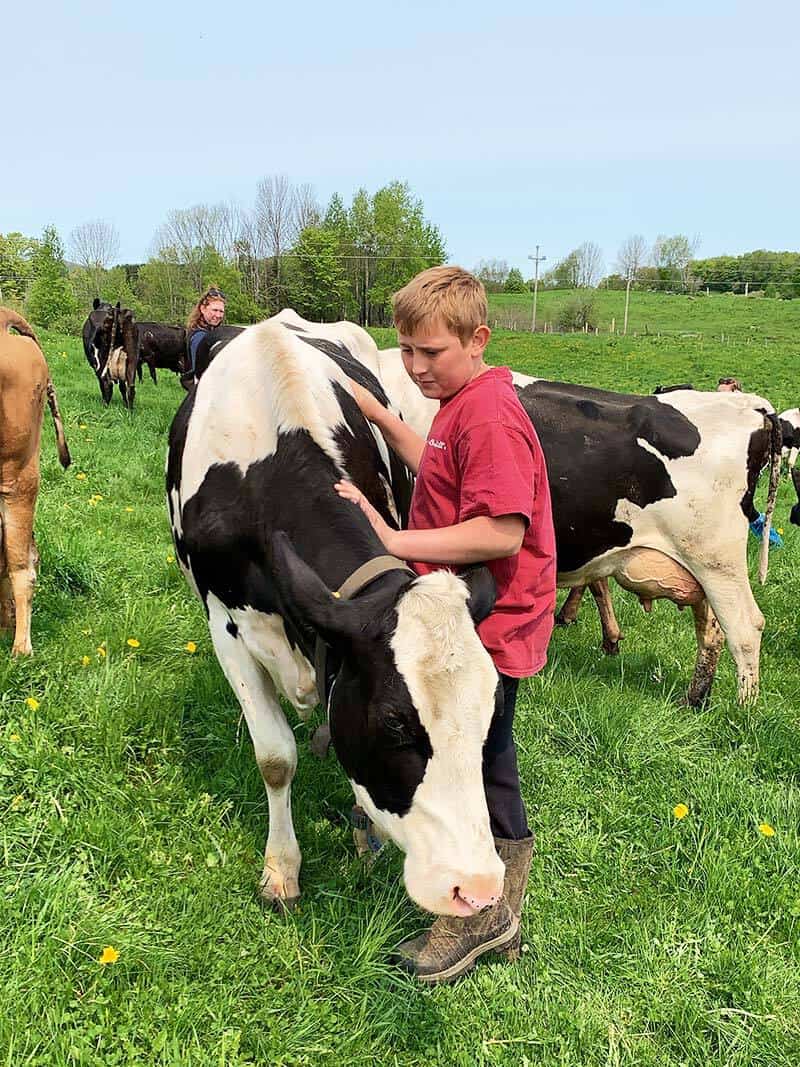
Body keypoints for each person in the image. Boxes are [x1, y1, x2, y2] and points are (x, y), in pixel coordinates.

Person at [335, 265, 556, 983]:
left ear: (478, 338)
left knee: (485, 760)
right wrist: (376, 411)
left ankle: (489, 913)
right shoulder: (462, 403)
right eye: (405, 351)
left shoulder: (491, 415)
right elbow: (431, 467)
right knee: (469, 752)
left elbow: (500, 532)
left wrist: (395, 542)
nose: (416, 366)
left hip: (493, 622)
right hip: (462, 616)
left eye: (430, 352)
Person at [185, 287, 226, 383]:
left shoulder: (210, 331)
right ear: (203, 309)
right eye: (215, 310)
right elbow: (201, 373)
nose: (218, 315)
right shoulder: (199, 337)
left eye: (221, 311)